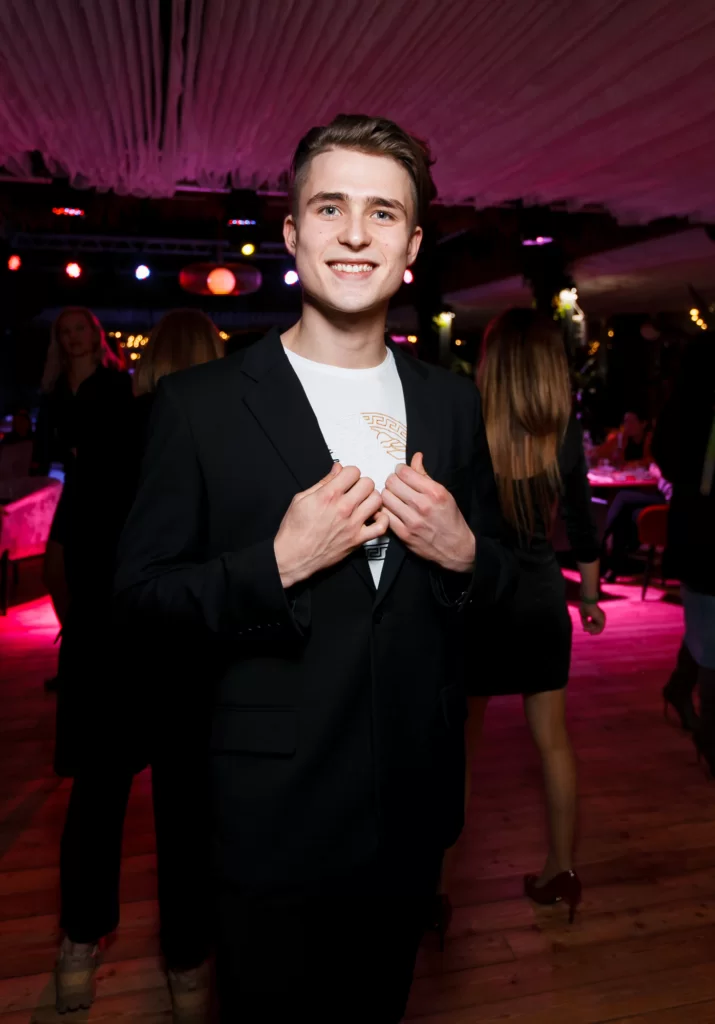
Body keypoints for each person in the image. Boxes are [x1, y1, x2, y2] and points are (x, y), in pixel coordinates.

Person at [116, 113, 515, 1023]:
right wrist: (274, 565)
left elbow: (512, 596)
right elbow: (136, 606)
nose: (354, 233)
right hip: (267, 818)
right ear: (293, 235)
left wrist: (465, 556)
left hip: (410, 811)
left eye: (383, 213)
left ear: (411, 248)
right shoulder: (199, 407)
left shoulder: (452, 406)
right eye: (330, 208)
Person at [55, 310, 223, 1022]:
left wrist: (80, 629)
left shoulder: (109, 426)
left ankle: (76, 952)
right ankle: (187, 969)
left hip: (110, 642)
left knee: (97, 803)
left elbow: (70, 541)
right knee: (188, 814)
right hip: (187, 648)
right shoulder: (219, 437)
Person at [440, 309, 606, 933]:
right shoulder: (562, 431)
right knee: (554, 743)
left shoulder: (468, 422)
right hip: (540, 602)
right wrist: (590, 596)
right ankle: (561, 871)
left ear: (494, 363)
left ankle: (436, 890)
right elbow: (582, 523)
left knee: (460, 752)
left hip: (479, 599)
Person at [33, 308, 128, 683]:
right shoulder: (54, 389)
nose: (72, 337)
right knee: (54, 573)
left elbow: (123, 444)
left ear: (94, 334)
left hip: (109, 493)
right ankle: (79, 648)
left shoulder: (116, 383)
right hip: (76, 490)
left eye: (79, 329)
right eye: (65, 331)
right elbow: (44, 450)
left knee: (98, 580)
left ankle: (93, 661)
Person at [653, 339, 715, 767]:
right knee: (709, 632)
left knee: (707, 626)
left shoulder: (681, 406)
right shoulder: (691, 409)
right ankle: (711, 740)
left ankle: (679, 688)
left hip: (695, 527)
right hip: (703, 531)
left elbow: (667, 459)